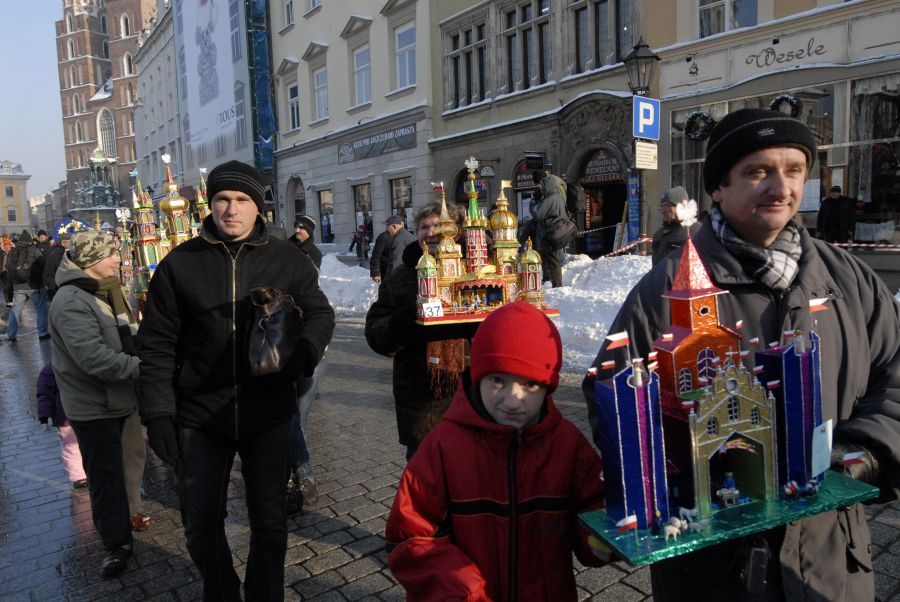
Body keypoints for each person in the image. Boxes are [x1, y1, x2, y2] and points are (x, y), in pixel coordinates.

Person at [582, 108, 900, 601]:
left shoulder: (849, 281)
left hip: (829, 559)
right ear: (718, 188)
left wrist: (859, 457)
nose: (780, 187)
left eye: (793, 170)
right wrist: (679, 478)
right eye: (757, 172)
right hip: (714, 573)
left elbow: (894, 380)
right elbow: (612, 399)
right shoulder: (663, 292)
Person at [137, 159, 335, 601]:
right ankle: (222, 592)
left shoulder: (287, 259)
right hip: (201, 415)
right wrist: (158, 415)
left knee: (269, 522)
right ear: (210, 204)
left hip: (267, 412)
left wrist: (303, 355)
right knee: (200, 524)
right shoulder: (179, 264)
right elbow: (155, 345)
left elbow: (320, 313)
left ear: (258, 207)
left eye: (242, 199)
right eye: (223, 199)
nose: (231, 209)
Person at [385, 302, 607, 599]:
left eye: (530, 384)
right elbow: (411, 536)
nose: (513, 400)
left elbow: (592, 510)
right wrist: (462, 590)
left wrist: (602, 538)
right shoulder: (444, 446)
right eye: (498, 380)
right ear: (478, 378)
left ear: (549, 387)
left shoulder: (567, 444)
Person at [49, 230, 143, 578]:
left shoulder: (101, 291)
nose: (118, 260)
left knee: (124, 468)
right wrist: (142, 368)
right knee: (106, 478)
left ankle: (125, 526)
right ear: (91, 261)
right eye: (112, 255)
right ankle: (116, 544)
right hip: (95, 406)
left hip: (117, 399)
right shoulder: (73, 300)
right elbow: (95, 359)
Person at [365, 201, 473, 460]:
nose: (431, 232)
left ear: (456, 230)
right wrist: (405, 322)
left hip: (473, 394)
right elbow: (376, 332)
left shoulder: (478, 270)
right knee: (425, 479)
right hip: (422, 400)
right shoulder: (401, 275)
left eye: (439, 225)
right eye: (424, 227)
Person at [36, 361, 88, 488]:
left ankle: (90, 472)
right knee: (72, 447)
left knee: (84, 445)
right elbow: (44, 394)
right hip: (65, 417)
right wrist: (44, 416)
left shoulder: (83, 360)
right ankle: (79, 477)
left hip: (86, 412)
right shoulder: (52, 368)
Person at [5, 230, 49, 342]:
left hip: (18, 286)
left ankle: (11, 334)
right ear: (29, 240)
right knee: (40, 308)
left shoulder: (13, 251)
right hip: (34, 285)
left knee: (16, 310)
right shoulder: (34, 250)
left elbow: (7, 266)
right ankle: (42, 332)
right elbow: (44, 262)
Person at [531, 172, 569, 288]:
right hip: (557, 230)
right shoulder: (559, 197)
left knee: (552, 260)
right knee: (553, 258)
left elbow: (537, 213)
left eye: (543, 186)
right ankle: (552, 281)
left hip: (551, 231)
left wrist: (534, 202)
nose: (542, 188)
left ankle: (556, 284)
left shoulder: (551, 198)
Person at [651, 186, 701, 265]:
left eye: (667, 206)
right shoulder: (658, 235)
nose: (663, 210)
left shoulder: (697, 231)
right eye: (661, 206)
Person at [370, 215, 415, 283]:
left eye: (387, 226)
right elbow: (376, 254)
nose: (386, 228)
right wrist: (375, 272)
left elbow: (395, 262)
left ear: (394, 226)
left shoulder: (399, 239)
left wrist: (388, 283)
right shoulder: (409, 235)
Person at [44, 232, 72, 301]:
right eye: (71, 242)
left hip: (74, 291)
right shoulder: (54, 255)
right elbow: (48, 275)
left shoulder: (75, 253)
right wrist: (57, 288)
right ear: (63, 243)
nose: (73, 244)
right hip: (60, 291)